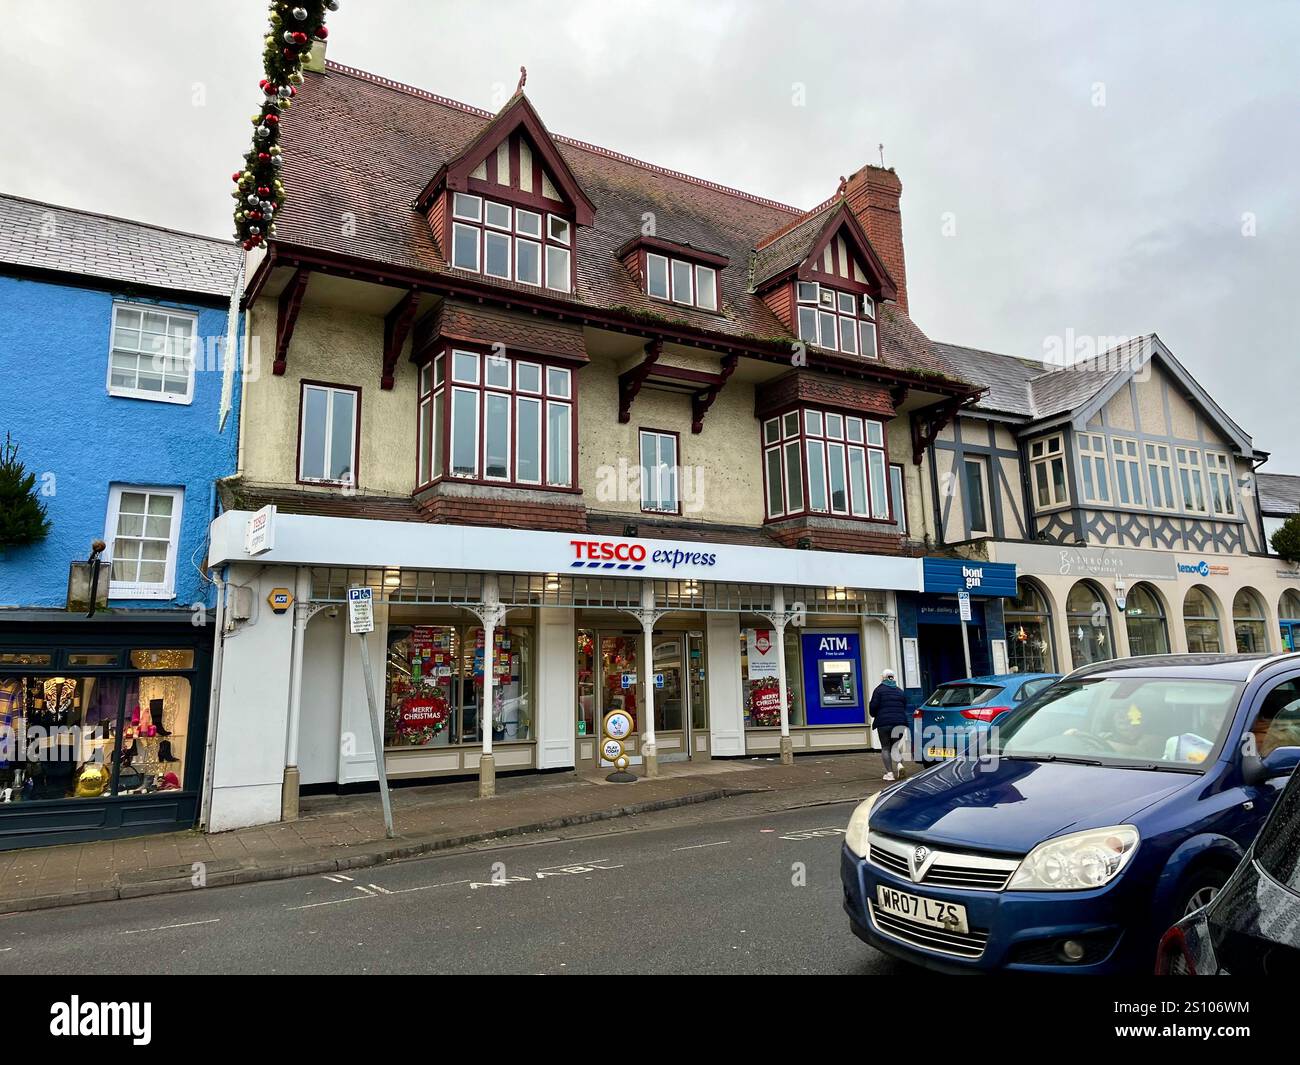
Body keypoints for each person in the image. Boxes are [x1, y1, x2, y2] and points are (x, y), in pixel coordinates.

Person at [869, 668, 911, 780]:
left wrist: (874, 714)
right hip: (899, 722)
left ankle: (890, 774)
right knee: (895, 746)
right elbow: (904, 706)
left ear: (883, 678)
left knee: (886, 747)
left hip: (884, 723)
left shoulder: (878, 690)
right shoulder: (900, 691)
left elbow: (873, 708)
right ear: (893, 678)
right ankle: (900, 765)